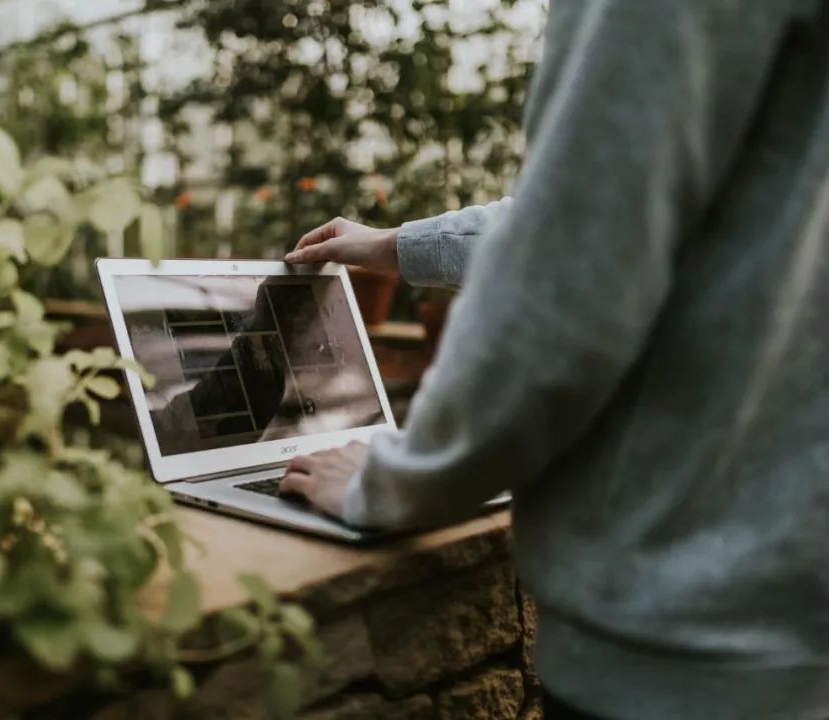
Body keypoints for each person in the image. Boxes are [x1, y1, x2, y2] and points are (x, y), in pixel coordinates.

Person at [279, 1, 829, 718]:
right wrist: (395, 246)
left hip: (681, 647)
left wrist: (395, 481)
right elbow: (617, 213)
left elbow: (568, 284)